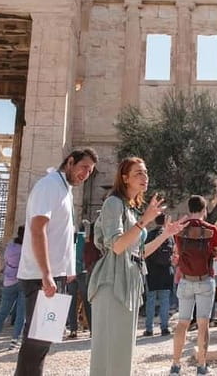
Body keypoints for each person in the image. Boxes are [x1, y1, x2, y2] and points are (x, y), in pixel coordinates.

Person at [88, 157, 185, 376]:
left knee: (123, 349)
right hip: (112, 281)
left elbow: (140, 253)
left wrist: (166, 235)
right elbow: (117, 245)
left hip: (130, 281)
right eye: (138, 173)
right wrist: (144, 222)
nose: (145, 177)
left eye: (146, 172)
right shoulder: (113, 203)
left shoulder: (130, 209)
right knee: (110, 349)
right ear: (125, 178)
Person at [15, 148, 97, 376]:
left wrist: (67, 270)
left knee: (44, 338)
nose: (86, 174)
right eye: (83, 167)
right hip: (40, 275)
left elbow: (61, 234)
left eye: (90, 171)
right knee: (37, 340)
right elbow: (38, 228)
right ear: (70, 162)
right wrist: (46, 273)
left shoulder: (64, 189)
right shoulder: (49, 185)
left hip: (54, 274)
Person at [169, 195, 217, 376]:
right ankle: (201, 366)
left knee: (182, 323)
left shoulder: (180, 230)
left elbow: (178, 252)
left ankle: (175, 365)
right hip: (205, 280)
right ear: (204, 209)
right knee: (203, 325)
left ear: (189, 209)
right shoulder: (211, 229)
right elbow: (216, 254)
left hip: (185, 280)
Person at [0, 225, 25, 349]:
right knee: (21, 313)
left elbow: (5, 261)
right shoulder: (26, 248)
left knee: (2, 312)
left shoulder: (10, 247)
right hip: (23, 280)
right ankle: (15, 340)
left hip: (9, 280)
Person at [143, 213, 175, 337]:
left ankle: (149, 329)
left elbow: (145, 252)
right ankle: (164, 328)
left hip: (152, 272)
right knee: (165, 301)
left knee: (150, 301)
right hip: (166, 272)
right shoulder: (169, 236)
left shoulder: (150, 235)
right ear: (165, 221)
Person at [66, 229, 91, 339]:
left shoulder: (68, 238)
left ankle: (73, 329)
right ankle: (91, 329)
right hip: (81, 272)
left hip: (73, 272)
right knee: (86, 302)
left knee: (73, 302)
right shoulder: (84, 238)